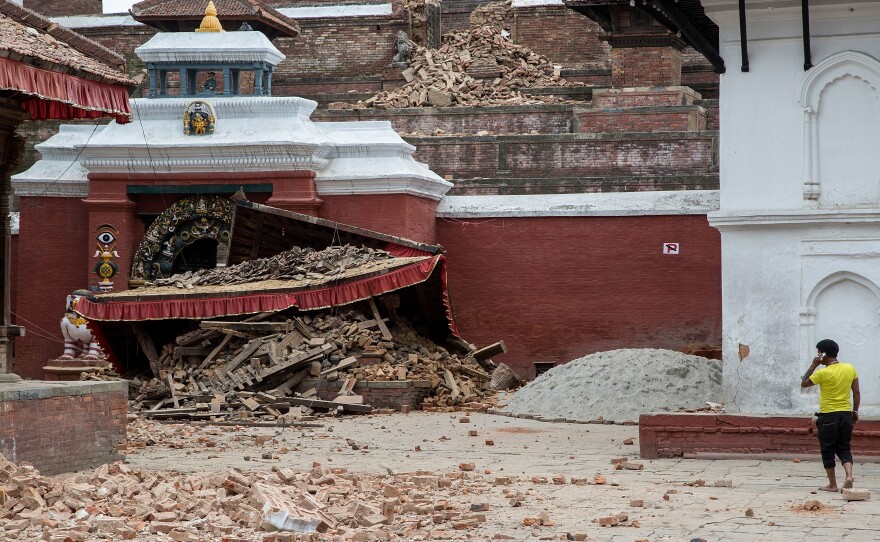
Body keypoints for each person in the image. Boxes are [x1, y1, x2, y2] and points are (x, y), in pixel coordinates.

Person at [800, 339, 860, 492]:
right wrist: (855, 411)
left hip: (828, 417)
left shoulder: (822, 372)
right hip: (846, 415)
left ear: (824, 354)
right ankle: (848, 476)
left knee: (827, 450)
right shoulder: (850, 368)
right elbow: (856, 393)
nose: (818, 355)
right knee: (844, 447)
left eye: (819, 352)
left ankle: (832, 484)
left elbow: (804, 383)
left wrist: (814, 364)